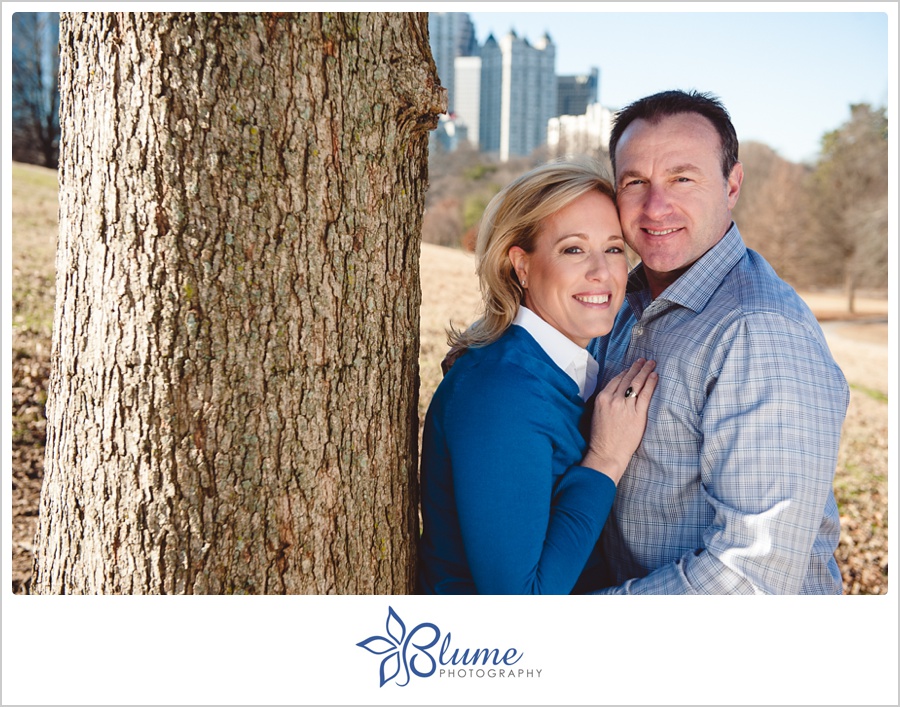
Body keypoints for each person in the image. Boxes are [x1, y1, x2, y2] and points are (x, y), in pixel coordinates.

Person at [586, 89, 849, 594]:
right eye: (635, 182)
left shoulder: (757, 330)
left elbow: (752, 577)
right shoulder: (624, 303)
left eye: (682, 178)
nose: (656, 206)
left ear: (732, 184)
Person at [417, 161, 658, 595]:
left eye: (615, 248)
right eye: (573, 249)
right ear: (521, 266)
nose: (601, 272)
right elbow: (522, 601)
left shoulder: (562, 369)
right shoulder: (501, 393)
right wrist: (606, 459)